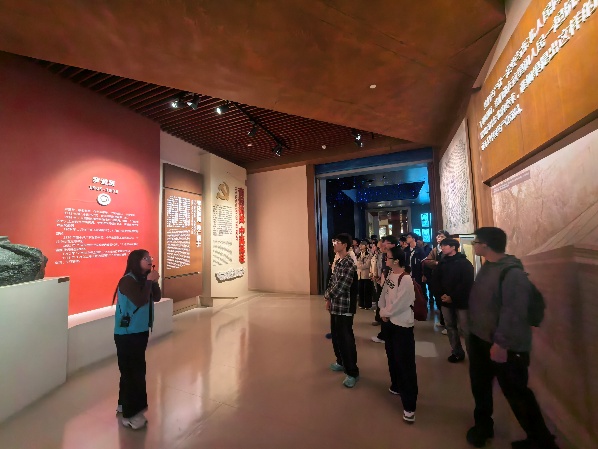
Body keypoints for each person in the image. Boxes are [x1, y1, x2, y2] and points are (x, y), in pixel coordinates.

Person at [466, 227, 559, 449]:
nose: (473, 245)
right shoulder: (488, 266)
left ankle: (541, 441)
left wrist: (501, 343)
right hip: (480, 339)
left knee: (517, 393)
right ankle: (483, 427)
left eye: (476, 242)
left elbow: (514, 312)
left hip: (504, 345)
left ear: (485, 245)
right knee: (480, 387)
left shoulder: (512, 274)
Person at [113, 249, 161, 430]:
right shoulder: (127, 281)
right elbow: (140, 300)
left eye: (150, 257)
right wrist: (149, 281)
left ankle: (123, 405)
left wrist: (153, 281)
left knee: (131, 371)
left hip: (139, 331)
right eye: (145, 258)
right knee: (134, 373)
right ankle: (131, 415)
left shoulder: (142, 279)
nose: (149, 260)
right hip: (127, 335)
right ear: (135, 261)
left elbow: (156, 297)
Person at [378, 245, 418, 424]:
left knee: (405, 363)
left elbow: (402, 302)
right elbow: (384, 296)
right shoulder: (390, 275)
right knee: (392, 356)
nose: (385, 259)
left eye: (387, 257)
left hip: (402, 324)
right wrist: (382, 311)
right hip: (389, 323)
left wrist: (386, 313)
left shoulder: (406, 278)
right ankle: (396, 385)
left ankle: (409, 406)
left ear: (396, 260)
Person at [325, 233, 359, 388]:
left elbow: (342, 286)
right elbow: (332, 281)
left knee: (346, 339)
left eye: (337, 242)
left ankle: (352, 372)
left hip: (345, 306)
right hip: (335, 305)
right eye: (334, 241)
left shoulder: (349, 263)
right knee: (336, 336)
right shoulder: (339, 261)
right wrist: (328, 299)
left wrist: (327, 296)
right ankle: (340, 361)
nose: (334, 244)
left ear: (345, 245)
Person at [433, 238, 474, 363]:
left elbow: (466, 283)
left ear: (453, 247)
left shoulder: (464, 263)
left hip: (461, 301)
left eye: (445, 245)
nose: (442, 248)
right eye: (441, 246)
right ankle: (456, 352)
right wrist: (441, 295)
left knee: (465, 329)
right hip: (445, 300)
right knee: (450, 326)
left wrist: (453, 296)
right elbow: (436, 280)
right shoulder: (442, 263)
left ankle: (474, 355)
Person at [371, 235, 398, 342]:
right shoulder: (385, 254)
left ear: (393, 244)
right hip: (384, 281)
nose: (383, 244)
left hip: (390, 283)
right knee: (383, 304)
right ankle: (384, 334)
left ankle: (386, 335)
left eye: (386, 242)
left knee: (389, 307)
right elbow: (383, 268)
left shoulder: (396, 254)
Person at [423, 230, 451, 330]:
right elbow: (427, 261)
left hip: (448, 277)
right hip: (437, 277)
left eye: (441, 236)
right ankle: (443, 321)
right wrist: (436, 263)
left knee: (447, 302)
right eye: (438, 236)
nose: (439, 238)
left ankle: (448, 325)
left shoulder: (450, 249)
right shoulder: (435, 249)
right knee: (439, 299)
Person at [356, 240, 373, 309]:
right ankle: (361, 304)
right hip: (359, 274)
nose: (360, 246)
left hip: (366, 274)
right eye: (360, 245)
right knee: (360, 290)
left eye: (362, 245)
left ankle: (367, 305)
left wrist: (359, 265)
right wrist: (359, 265)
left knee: (367, 290)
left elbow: (367, 265)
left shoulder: (369, 254)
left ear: (366, 246)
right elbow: (356, 263)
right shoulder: (358, 254)